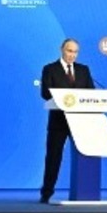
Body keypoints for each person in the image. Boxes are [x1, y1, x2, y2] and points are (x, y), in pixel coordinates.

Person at [38, 38, 92, 204]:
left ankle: (85, 192)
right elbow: (45, 93)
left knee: (85, 156)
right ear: (62, 49)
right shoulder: (50, 69)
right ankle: (46, 193)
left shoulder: (83, 70)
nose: (72, 55)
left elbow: (91, 92)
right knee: (53, 158)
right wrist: (65, 98)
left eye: (75, 52)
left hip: (80, 121)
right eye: (69, 51)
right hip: (58, 121)